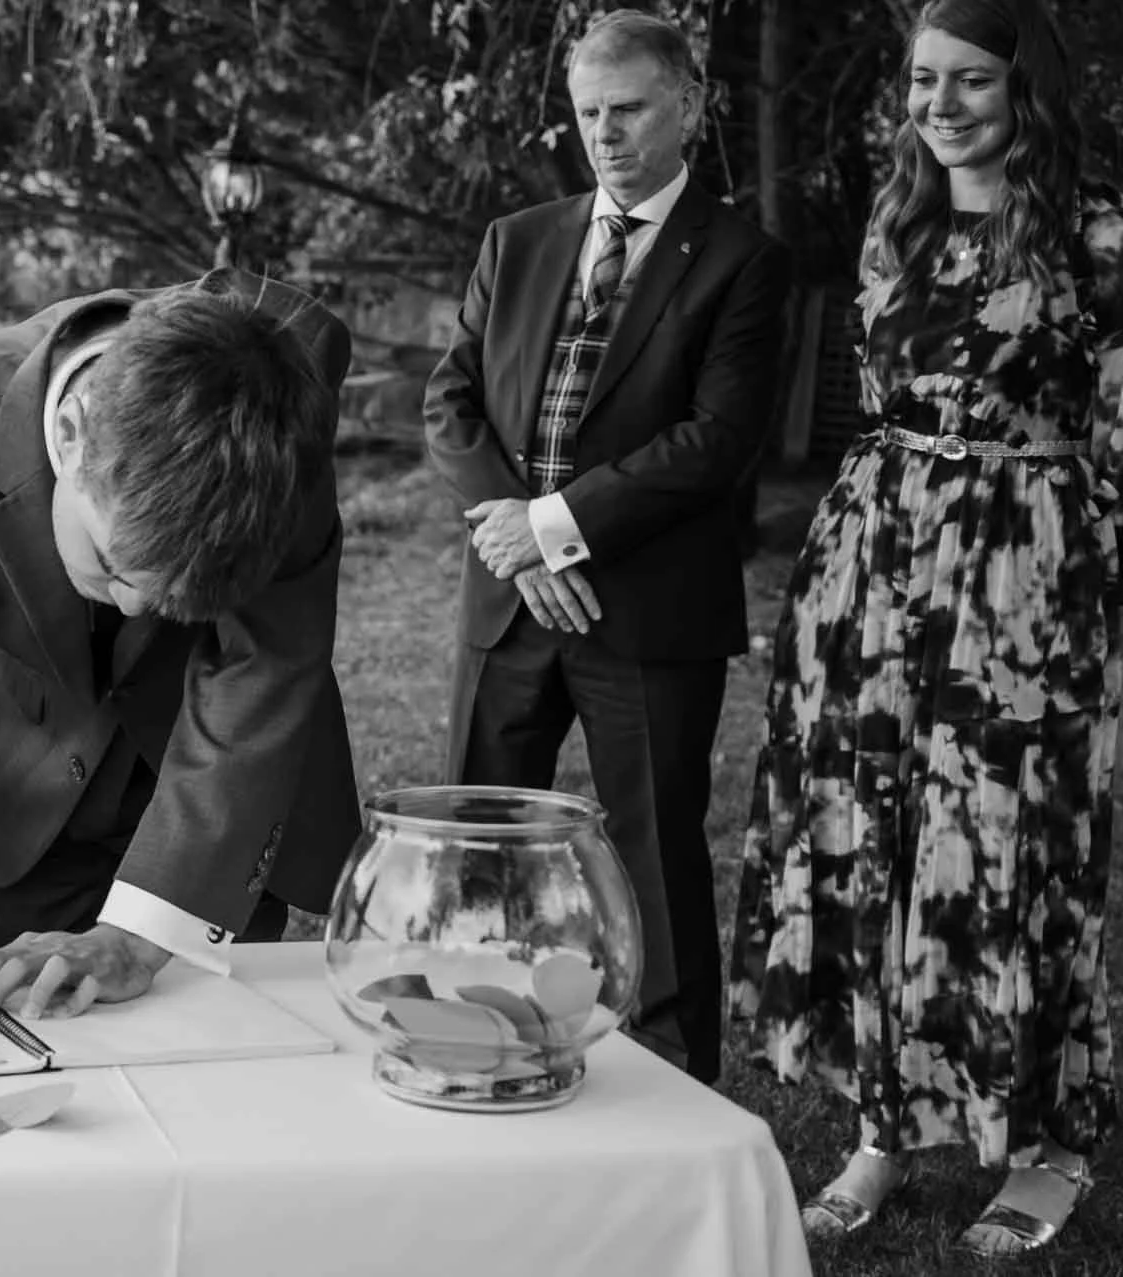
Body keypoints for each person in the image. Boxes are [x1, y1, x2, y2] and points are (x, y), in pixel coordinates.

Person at [729, 0, 1123, 1256]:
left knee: (1012, 853)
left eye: (970, 79)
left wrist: (1111, 604)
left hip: (1026, 579)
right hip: (874, 567)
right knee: (872, 843)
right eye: (923, 78)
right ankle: (882, 1127)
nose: (940, 103)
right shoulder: (896, 218)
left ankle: (1052, 1140)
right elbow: (883, 400)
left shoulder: (1105, 232)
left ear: (1029, 89)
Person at [0, 270, 360, 1026]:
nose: (135, 606)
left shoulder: (278, 419)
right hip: (26, 776)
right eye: (115, 566)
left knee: (212, 1062)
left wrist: (140, 937)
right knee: (36, 1031)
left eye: (176, 601)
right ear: (69, 434)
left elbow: (265, 667)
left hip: (223, 786)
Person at [423, 9, 791, 1085]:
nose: (607, 133)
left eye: (628, 109)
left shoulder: (743, 260)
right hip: (510, 599)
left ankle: (674, 1073)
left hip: (647, 602)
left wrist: (553, 529)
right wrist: (522, 546)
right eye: (589, 112)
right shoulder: (520, 238)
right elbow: (452, 403)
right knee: (479, 829)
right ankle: (469, 1031)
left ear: (689, 105)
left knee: (655, 846)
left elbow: (716, 441)